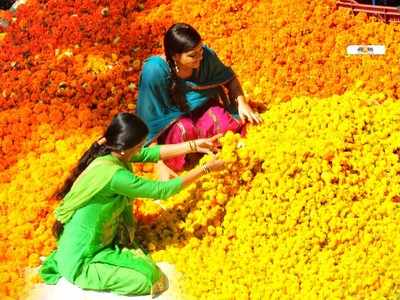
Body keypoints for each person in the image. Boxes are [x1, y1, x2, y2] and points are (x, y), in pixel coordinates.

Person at [39, 112, 224, 297]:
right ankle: (92, 268)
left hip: (83, 241)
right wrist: (206, 168)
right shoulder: (115, 176)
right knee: (150, 279)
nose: (141, 149)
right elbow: (162, 191)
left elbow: (149, 154)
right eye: (138, 146)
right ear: (123, 149)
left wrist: (194, 145)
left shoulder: (109, 152)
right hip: (83, 257)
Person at [136, 23, 261, 180]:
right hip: (171, 122)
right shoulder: (154, 71)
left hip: (202, 108)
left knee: (222, 124)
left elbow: (230, 79)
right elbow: (150, 119)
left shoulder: (205, 56)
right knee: (184, 130)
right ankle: (190, 158)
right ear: (174, 56)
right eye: (192, 55)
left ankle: (207, 149)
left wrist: (242, 103)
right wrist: (158, 163)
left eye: (200, 50)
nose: (200, 57)